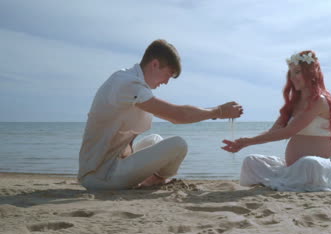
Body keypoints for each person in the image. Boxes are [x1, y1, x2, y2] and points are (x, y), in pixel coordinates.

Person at [79, 39, 243, 190]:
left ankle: (150, 177)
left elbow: (127, 134)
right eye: (168, 75)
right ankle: (156, 179)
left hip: (109, 162)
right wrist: (219, 112)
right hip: (100, 176)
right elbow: (178, 115)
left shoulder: (131, 82)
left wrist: (216, 112)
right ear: (155, 64)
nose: (166, 82)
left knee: (155, 139)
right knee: (178, 145)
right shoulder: (128, 84)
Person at [222, 50, 331, 192]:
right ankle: (287, 179)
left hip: (323, 167)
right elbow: (273, 132)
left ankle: (286, 181)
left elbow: (288, 132)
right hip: (292, 168)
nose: (293, 77)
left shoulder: (320, 101)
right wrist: (242, 143)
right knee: (251, 161)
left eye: (297, 72)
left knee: (309, 163)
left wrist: (248, 141)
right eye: (290, 73)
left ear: (311, 73)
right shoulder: (293, 104)